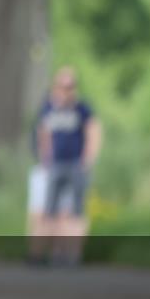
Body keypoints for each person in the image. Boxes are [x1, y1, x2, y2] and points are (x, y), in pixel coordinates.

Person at [35, 67, 102, 266]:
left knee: (76, 212)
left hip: (76, 164)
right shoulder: (49, 108)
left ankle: (73, 255)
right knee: (50, 211)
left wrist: (88, 159)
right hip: (56, 165)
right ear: (56, 87)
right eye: (63, 86)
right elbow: (43, 132)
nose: (66, 90)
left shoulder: (82, 108)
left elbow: (94, 131)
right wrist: (44, 158)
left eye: (70, 86)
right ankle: (52, 253)